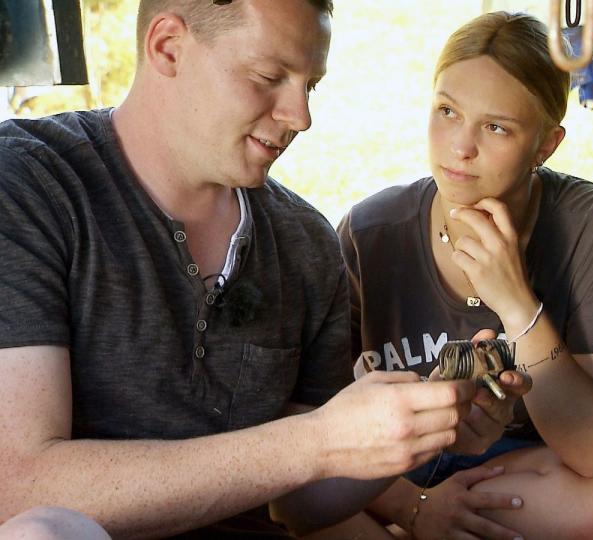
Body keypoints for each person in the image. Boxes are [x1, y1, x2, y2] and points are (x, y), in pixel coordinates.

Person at [0, 0, 475, 537]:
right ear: (168, 47)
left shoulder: (306, 244)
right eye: (269, 76)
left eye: (309, 86)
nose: (300, 117)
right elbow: (17, 487)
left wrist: (420, 426)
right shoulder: (28, 187)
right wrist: (312, 442)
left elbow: (299, 507)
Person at [336, 11, 593, 540]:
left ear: (546, 145)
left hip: (513, 470)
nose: (460, 147)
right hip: (388, 473)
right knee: (297, 501)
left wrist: (518, 306)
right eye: (446, 111)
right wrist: (414, 504)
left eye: (495, 127)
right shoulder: (370, 233)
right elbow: (318, 426)